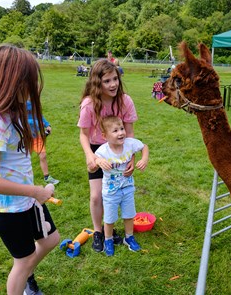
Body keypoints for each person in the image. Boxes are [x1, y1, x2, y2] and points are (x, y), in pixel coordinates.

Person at [0, 44, 60, 295]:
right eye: (27, 81)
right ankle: (24, 281)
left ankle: (26, 274)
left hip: (25, 200)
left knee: (51, 240)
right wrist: (35, 191)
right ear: (9, 81)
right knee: (23, 261)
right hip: (5, 208)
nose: (31, 88)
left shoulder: (13, 113)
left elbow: (16, 153)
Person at [77, 59, 138, 253]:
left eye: (115, 79)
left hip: (120, 148)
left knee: (120, 193)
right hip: (98, 150)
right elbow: (84, 135)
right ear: (97, 83)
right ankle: (98, 231)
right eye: (107, 81)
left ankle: (113, 230)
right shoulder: (89, 104)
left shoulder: (125, 101)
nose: (113, 84)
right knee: (96, 197)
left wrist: (131, 158)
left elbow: (129, 134)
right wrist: (90, 156)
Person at [94, 116, 149, 256]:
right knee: (109, 218)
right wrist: (99, 161)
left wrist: (144, 159)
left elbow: (144, 147)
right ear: (105, 136)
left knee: (129, 215)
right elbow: (93, 160)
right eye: (115, 131)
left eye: (122, 129)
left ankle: (129, 237)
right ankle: (108, 239)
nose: (121, 133)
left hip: (128, 188)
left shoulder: (130, 143)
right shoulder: (103, 151)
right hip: (111, 192)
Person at [27, 100, 60, 185]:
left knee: (43, 155)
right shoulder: (20, 102)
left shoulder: (34, 102)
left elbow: (39, 116)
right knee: (25, 157)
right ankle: (23, 175)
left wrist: (47, 125)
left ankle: (47, 176)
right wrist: (34, 123)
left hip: (36, 137)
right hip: (25, 137)